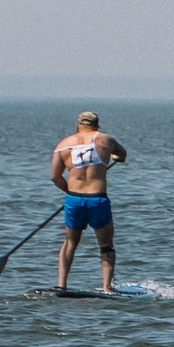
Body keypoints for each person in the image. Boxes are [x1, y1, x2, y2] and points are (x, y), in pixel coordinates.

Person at [51, 112, 129, 291]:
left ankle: (61, 285)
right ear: (97, 126)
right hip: (97, 200)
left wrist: (71, 192)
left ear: (78, 126)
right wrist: (115, 157)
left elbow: (55, 177)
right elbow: (122, 155)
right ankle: (107, 287)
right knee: (106, 245)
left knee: (70, 243)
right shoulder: (105, 140)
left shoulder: (63, 145)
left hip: (74, 200)